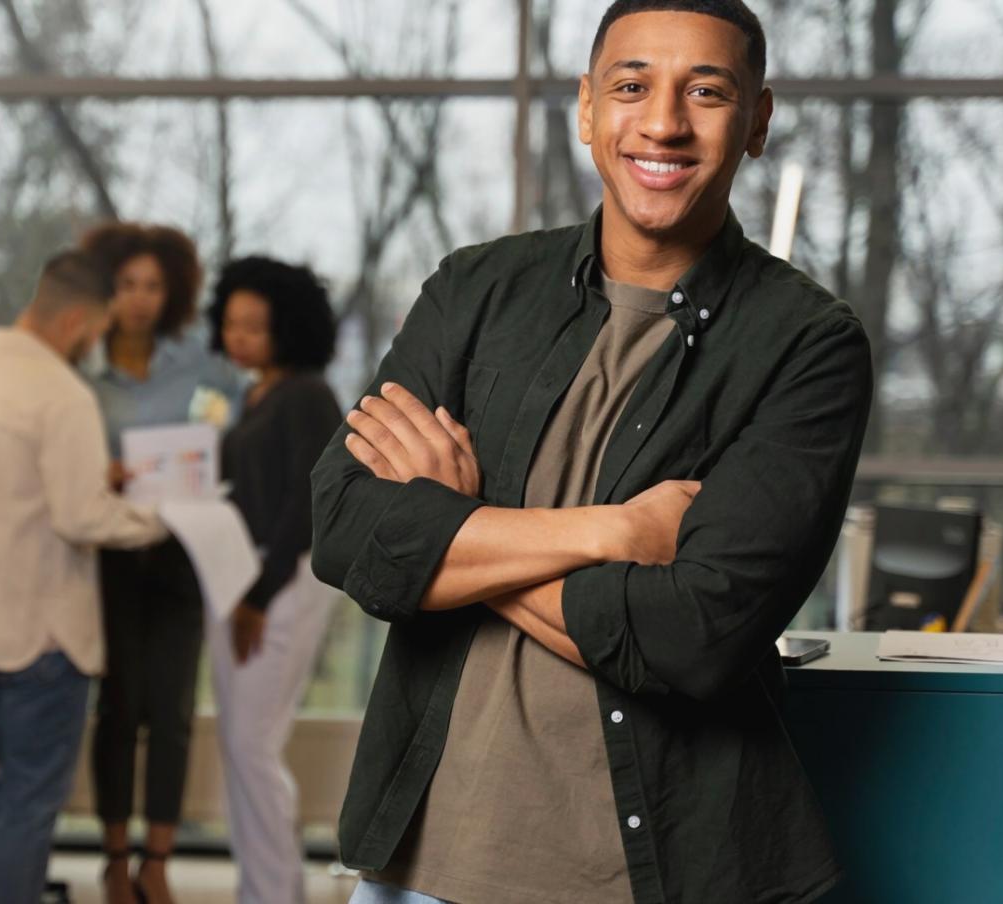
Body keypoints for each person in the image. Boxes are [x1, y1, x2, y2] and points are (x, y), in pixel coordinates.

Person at [311, 2, 874, 903]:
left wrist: (450, 532)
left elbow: (693, 638)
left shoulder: (805, 344)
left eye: (705, 91)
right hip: (417, 867)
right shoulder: (475, 290)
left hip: (652, 878)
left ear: (756, 121)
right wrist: (611, 532)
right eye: (630, 85)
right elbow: (344, 530)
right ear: (585, 109)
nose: (661, 122)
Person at [0, 250, 170, 904]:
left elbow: (5, 491)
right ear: (78, 320)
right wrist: (166, 517)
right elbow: (82, 519)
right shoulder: (60, 393)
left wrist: (96, 482)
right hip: (40, 639)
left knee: (7, 797)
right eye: (98, 329)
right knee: (27, 806)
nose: (96, 343)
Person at [79, 221, 242, 904]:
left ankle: (158, 861)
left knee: (172, 710)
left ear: (172, 292)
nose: (140, 299)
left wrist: (211, 449)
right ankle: (114, 857)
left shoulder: (201, 365)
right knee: (118, 709)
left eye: (153, 286)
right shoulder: (82, 374)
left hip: (183, 550)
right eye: (127, 286)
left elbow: (233, 423)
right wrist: (102, 471)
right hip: (110, 553)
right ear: (105, 291)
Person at [206, 256, 343, 904]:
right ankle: (260, 888)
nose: (240, 338)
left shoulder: (309, 395)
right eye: (231, 324)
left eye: (255, 327)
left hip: (280, 582)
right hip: (240, 579)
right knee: (240, 744)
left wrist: (256, 597)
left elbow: (306, 504)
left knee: (252, 743)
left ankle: (274, 894)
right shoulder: (253, 392)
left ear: (288, 327)